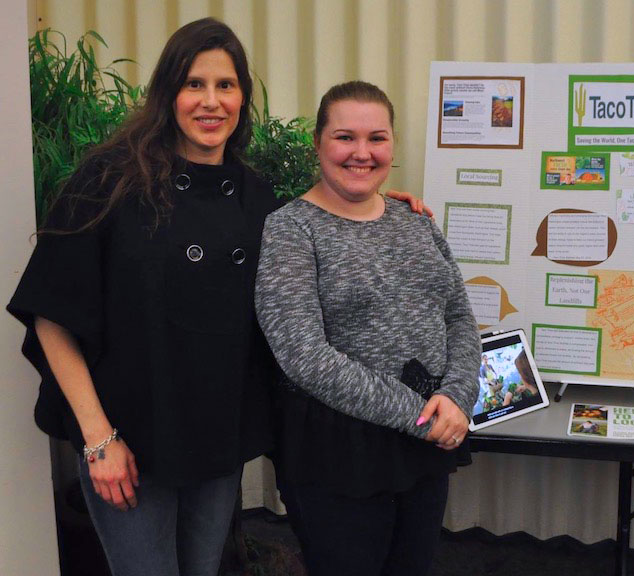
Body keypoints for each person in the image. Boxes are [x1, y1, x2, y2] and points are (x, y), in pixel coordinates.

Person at [7, 19, 427, 576]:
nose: (211, 101)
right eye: (194, 84)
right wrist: (98, 439)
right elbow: (52, 314)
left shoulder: (254, 198)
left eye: (226, 86)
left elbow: (318, 225)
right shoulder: (109, 182)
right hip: (127, 441)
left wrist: (376, 206)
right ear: (168, 94)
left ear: (242, 99)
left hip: (214, 441)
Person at [255, 81, 481, 576]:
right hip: (340, 452)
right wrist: (422, 415)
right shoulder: (291, 229)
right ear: (318, 143)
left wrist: (459, 396)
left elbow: (460, 316)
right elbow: (303, 355)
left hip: (426, 440)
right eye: (345, 137)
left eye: (376, 138)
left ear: (393, 145)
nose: (362, 153)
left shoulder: (415, 221)